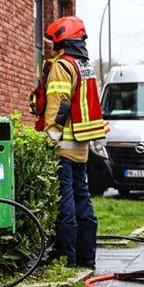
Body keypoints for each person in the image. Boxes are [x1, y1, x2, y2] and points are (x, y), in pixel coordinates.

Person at [32, 16, 107, 268]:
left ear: (61, 40)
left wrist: (50, 137)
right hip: (81, 145)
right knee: (82, 197)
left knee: (65, 199)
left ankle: (67, 258)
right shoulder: (83, 65)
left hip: (63, 144)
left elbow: (59, 102)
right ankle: (87, 257)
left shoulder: (62, 65)